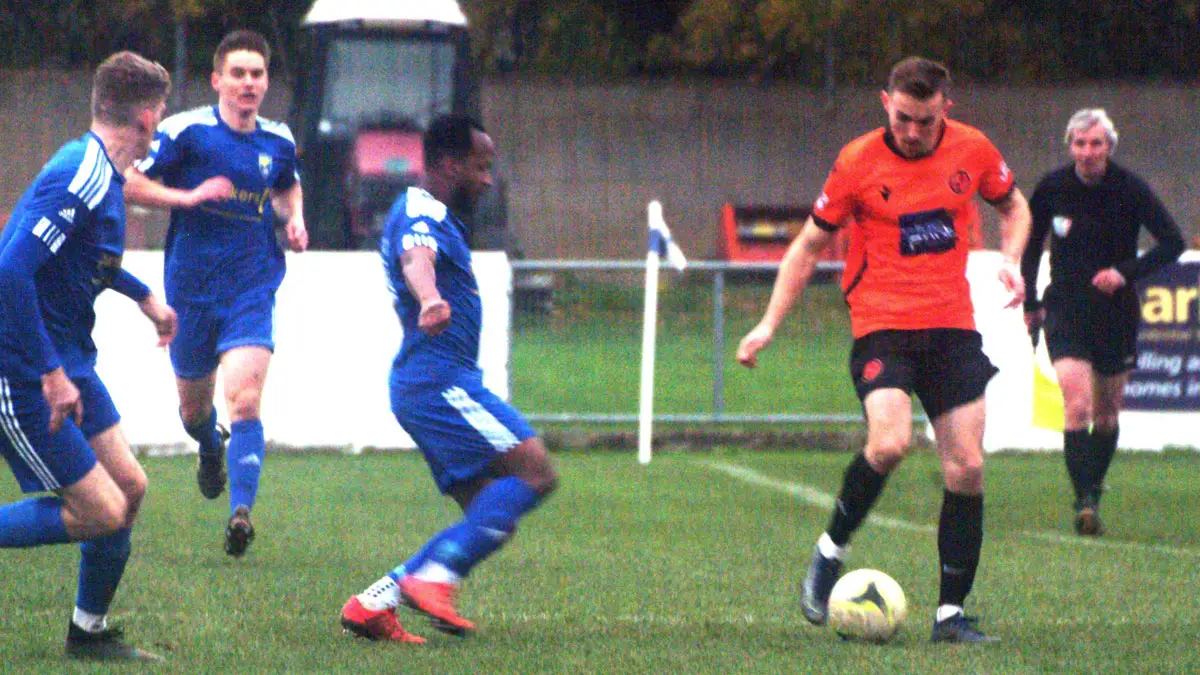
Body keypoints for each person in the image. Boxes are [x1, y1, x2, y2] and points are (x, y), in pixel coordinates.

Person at [736, 57, 1031, 643]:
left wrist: (1011, 260)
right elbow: (806, 248)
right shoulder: (857, 162)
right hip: (882, 325)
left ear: (945, 107)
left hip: (951, 326)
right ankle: (829, 551)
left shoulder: (972, 150)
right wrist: (768, 324)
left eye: (924, 120)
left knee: (968, 466)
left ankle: (950, 616)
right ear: (885, 103)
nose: (913, 131)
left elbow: (1014, 205)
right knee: (890, 442)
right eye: (902, 118)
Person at [340, 114, 558, 643]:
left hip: (428, 384)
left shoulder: (431, 212)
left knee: (487, 509)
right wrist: (431, 297)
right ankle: (434, 578)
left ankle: (375, 602)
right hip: (442, 383)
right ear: (448, 164)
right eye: (481, 167)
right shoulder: (421, 211)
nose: (487, 179)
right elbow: (418, 258)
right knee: (535, 473)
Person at [0, 51, 174, 662]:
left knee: (130, 486)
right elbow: (11, 268)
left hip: (69, 359)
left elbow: (82, 260)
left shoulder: (102, 174)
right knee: (100, 512)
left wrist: (143, 296)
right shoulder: (81, 172)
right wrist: (48, 373)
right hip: (21, 366)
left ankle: (88, 633)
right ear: (149, 118)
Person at [124, 29, 307, 557]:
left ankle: (241, 514)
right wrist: (189, 196)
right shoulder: (187, 133)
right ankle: (210, 447)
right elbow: (130, 182)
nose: (248, 83)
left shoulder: (278, 139)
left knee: (245, 399)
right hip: (190, 291)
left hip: (252, 285)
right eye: (238, 73)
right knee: (193, 410)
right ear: (217, 80)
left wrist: (295, 218)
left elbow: (286, 183)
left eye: (258, 74)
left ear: (266, 81)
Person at [1021, 109, 1184, 537]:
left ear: (1109, 146)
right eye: (1080, 143)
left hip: (1116, 310)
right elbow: (1031, 245)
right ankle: (1085, 501)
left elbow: (1172, 243)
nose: (1088, 152)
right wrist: (1031, 301)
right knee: (1077, 405)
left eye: (1096, 144)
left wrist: (1123, 273)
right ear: (1070, 146)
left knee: (1108, 413)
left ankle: (1093, 486)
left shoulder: (1129, 188)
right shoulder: (1052, 188)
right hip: (1066, 308)